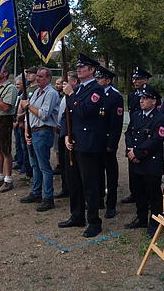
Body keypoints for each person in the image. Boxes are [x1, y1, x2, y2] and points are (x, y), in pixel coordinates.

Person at [59, 53, 107, 238]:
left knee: (90, 184)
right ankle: (77, 215)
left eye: (83, 67)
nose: (78, 69)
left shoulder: (96, 90)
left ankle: (94, 222)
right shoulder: (77, 90)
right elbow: (66, 115)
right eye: (77, 67)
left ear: (92, 70)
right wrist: (65, 135)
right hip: (73, 143)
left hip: (88, 145)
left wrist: (70, 94)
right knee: (74, 182)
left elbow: (84, 111)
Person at [124, 84, 164, 237]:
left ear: (154, 101)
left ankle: (155, 222)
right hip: (134, 160)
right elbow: (128, 133)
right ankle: (141, 218)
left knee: (153, 194)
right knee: (138, 192)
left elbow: (155, 141)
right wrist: (130, 151)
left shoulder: (160, 119)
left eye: (145, 98)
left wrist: (137, 153)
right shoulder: (136, 115)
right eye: (141, 98)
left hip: (150, 162)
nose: (141, 101)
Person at [19, 67, 60, 212]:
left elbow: (44, 114)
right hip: (33, 131)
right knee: (34, 164)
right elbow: (27, 114)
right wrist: (26, 131)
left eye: (41, 76)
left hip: (44, 131)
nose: (37, 78)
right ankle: (36, 192)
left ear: (49, 78)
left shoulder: (51, 93)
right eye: (37, 76)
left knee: (44, 166)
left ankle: (48, 197)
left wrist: (28, 105)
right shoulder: (36, 92)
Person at [95, 66, 123, 219]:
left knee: (111, 175)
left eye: (100, 78)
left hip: (107, 141)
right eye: (97, 78)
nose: (98, 80)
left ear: (108, 80)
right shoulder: (96, 94)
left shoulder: (115, 96)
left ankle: (111, 205)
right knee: (98, 172)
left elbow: (116, 124)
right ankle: (99, 200)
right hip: (96, 141)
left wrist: (112, 143)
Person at [122, 66, 152, 204]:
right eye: (134, 78)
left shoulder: (152, 95)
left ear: (145, 80)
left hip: (146, 133)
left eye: (138, 78)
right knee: (132, 166)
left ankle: (145, 193)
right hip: (134, 130)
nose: (135, 81)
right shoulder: (132, 95)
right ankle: (134, 193)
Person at [55, 71, 78, 199]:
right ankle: (65, 188)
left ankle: (71, 188)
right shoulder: (64, 95)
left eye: (66, 81)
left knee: (71, 166)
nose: (63, 84)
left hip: (71, 134)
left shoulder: (74, 95)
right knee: (64, 164)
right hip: (61, 132)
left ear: (74, 82)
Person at [12, 76, 28, 175]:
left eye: (18, 84)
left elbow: (25, 110)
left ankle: (25, 166)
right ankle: (19, 161)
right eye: (16, 84)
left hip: (21, 122)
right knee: (18, 144)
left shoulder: (25, 94)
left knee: (23, 145)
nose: (16, 86)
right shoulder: (18, 94)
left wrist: (18, 121)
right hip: (16, 122)